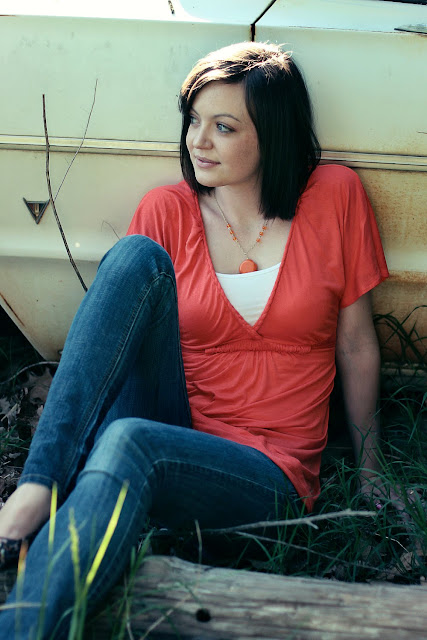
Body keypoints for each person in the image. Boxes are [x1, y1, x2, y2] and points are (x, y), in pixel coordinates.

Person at [0, 42, 389, 638]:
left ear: (272, 135)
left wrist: (372, 473)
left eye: (223, 127)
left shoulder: (335, 196)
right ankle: (38, 485)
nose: (197, 142)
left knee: (133, 443)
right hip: (172, 419)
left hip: (265, 475)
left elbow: (357, 345)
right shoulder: (168, 210)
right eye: (193, 121)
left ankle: (25, 623)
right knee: (133, 257)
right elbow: (118, 341)